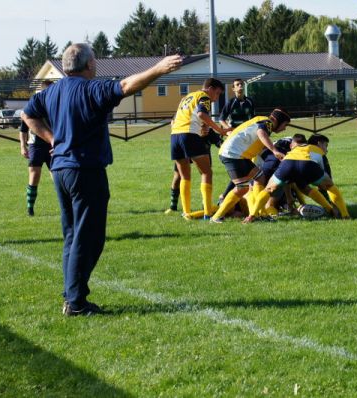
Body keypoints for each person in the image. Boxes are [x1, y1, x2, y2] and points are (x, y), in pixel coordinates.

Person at [22, 43, 183, 316]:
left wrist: (52, 140)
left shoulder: (52, 91)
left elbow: (27, 114)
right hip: (85, 170)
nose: (95, 65)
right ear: (88, 66)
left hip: (61, 170)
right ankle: (75, 302)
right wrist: (159, 68)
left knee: (72, 235)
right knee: (89, 238)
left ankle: (72, 295)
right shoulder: (90, 88)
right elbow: (126, 86)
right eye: (94, 61)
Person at [244, 134, 350, 223]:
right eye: (325, 146)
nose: (326, 149)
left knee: (269, 189)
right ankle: (345, 215)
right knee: (330, 186)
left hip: (288, 162)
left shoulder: (293, 150)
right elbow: (328, 182)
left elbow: (290, 182)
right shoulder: (317, 150)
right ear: (319, 144)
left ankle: (252, 216)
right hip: (307, 164)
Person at [210, 109, 291, 223]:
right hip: (233, 154)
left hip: (238, 154)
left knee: (260, 177)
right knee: (242, 188)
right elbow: (260, 133)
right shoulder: (267, 123)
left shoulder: (262, 120)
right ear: (278, 121)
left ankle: (260, 214)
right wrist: (274, 150)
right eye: (285, 125)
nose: (284, 128)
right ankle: (217, 216)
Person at [171, 78, 230, 220]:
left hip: (175, 136)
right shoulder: (204, 96)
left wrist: (202, 126)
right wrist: (220, 130)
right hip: (189, 135)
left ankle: (186, 213)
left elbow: (173, 119)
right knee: (206, 172)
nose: (216, 99)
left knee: (185, 175)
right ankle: (208, 213)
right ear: (210, 88)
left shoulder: (187, 97)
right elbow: (201, 114)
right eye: (217, 94)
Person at [217, 78, 256, 204]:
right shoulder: (230, 102)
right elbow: (221, 119)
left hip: (247, 138)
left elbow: (254, 120)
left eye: (241, 84)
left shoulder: (250, 102)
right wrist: (228, 131)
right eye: (237, 85)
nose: (240, 86)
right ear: (233, 89)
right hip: (234, 140)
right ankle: (226, 196)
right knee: (241, 168)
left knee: (244, 168)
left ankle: (228, 196)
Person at [19, 80, 54, 216]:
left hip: (53, 145)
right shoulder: (31, 107)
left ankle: (67, 207)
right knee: (34, 175)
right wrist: (23, 146)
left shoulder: (56, 106)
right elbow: (23, 130)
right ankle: (30, 208)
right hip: (36, 146)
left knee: (57, 176)